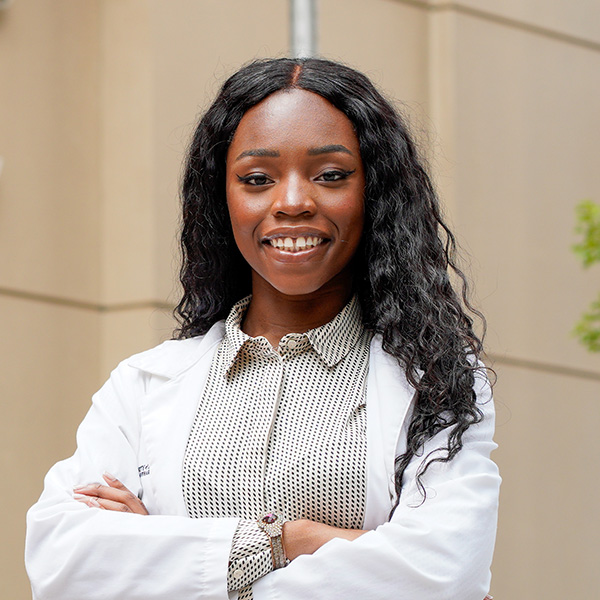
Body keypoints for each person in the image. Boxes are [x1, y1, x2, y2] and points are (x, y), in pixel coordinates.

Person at [25, 58, 500, 600]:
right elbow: (64, 565)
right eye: (256, 179)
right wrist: (285, 542)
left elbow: (439, 574)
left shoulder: (437, 383)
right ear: (221, 197)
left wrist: (163, 549)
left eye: (330, 175)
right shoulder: (142, 386)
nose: (293, 202)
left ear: (375, 193)